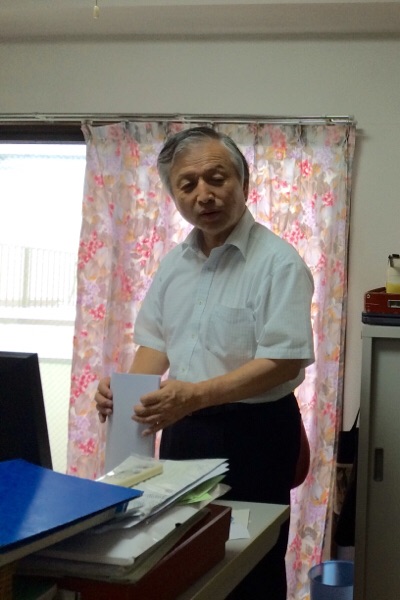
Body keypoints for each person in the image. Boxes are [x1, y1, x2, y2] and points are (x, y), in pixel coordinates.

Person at [94, 126, 315, 600]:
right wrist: (125, 391)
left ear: (243, 182)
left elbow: (284, 360)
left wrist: (195, 395)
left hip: (255, 434)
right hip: (183, 428)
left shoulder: (279, 263)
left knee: (249, 567)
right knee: (178, 556)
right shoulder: (174, 265)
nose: (203, 194)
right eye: (187, 184)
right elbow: (155, 345)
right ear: (174, 195)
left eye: (216, 178)